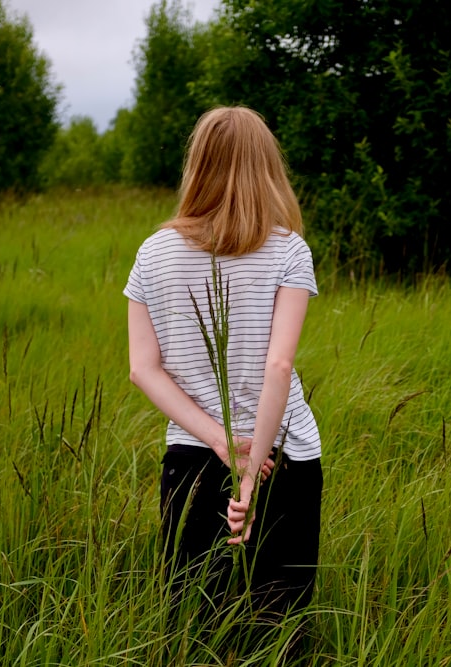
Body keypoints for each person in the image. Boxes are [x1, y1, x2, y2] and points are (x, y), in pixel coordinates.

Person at [124, 106, 323, 628]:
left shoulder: (153, 252)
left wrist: (219, 441)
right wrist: (252, 470)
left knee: (192, 618)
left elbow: (143, 369)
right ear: (267, 168)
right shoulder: (290, 251)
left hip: (192, 453)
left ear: (198, 164)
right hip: (282, 455)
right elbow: (277, 367)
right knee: (278, 622)